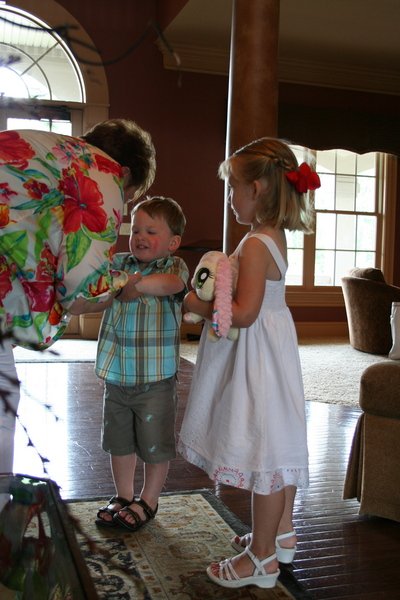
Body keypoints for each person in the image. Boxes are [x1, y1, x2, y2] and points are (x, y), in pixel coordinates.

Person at [178, 137, 320, 589]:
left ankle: (261, 560)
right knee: (277, 447)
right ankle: (280, 534)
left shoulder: (257, 244)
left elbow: (243, 313)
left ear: (256, 189)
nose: (229, 197)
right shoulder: (270, 236)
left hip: (257, 358)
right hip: (271, 351)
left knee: (265, 454)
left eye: (232, 188)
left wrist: (195, 306)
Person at [0, 119, 156, 488]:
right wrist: (121, 283)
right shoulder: (101, 173)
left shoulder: (44, 147)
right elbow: (83, 289)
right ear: (125, 173)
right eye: (129, 195)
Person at [95, 196, 189, 531]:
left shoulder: (173, 267)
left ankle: (149, 499)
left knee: (155, 443)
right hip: (117, 374)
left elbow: (173, 286)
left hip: (155, 379)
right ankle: (123, 495)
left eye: (151, 231)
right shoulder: (120, 263)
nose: (140, 237)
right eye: (136, 230)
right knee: (119, 442)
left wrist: (135, 285)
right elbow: (102, 287)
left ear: (172, 242)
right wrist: (119, 284)